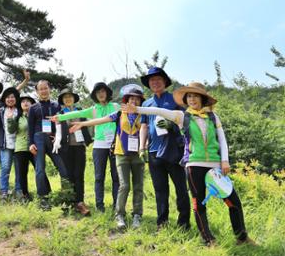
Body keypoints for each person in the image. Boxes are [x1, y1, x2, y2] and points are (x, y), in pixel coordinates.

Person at [124, 82, 254, 246]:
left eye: (195, 96)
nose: (192, 99)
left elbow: (222, 139)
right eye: (189, 96)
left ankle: (242, 237)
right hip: (194, 165)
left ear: (202, 98)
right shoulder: (182, 116)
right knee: (199, 204)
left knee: (232, 201)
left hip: (215, 166)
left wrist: (225, 160)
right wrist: (137, 109)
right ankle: (208, 240)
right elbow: (159, 111)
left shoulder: (213, 117)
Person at [69, 84, 146, 229]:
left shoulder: (143, 115)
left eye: (137, 99)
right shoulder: (118, 113)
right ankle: (117, 214)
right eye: (131, 99)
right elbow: (101, 120)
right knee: (122, 184)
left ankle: (137, 215)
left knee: (137, 186)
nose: (134, 102)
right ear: (127, 101)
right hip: (119, 152)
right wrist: (82, 124)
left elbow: (146, 129)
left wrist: (144, 145)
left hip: (137, 153)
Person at [50, 82, 119, 212]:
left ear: (107, 93)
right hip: (98, 146)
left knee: (116, 177)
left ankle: (117, 206)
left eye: (103, 91)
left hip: (115, 145)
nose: (101, 94)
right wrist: (59, 117)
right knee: (99, 177)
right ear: (95, 95)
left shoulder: (116, 106)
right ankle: (99, 206)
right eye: (98, 92)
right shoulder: (92, 110)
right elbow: (72, 116)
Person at [139, 67, 190, 230]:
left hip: (174, 150)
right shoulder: (146, 103)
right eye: (151, 80)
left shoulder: (175, 100)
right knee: (160, 189)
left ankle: (184, 223)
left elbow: (186, 122)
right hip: (153, 152)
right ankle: (162, 222)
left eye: (158, 79)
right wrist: (141, 147)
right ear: (149, 84)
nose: (155, 82)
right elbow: (144, 127)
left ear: (165, 82)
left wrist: (172, 125)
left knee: (181, 188)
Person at [27, 79, 70, 211]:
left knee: (63, 169)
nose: (44, 91)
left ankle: (66, 198)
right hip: (38, 138)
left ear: (49, 89)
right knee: (40, 170)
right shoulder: (33, 108)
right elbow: (30, 128)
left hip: (52, 140)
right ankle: (43, 199)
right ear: (37, 91)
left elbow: (61, 124)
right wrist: (30, 144)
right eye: (41, 89)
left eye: (45, 88)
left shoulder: (56, 105)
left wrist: (58, 138)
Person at [53, 87, 91, 216]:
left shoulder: (81, 111)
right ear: (62, 100)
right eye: (65, 97)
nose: (68, 99)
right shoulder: (60, 113)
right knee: (67, 175)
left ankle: (80, 202)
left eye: (70, 97)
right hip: (65, 148)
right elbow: (56, 129)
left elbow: (88, 124)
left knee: (79, 174)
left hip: (79, 146)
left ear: (74, 99)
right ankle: (68, 201)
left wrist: (89, 140)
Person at [0, 87, 22, 200]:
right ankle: (4, 191)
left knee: (19, 168)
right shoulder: (1, 111)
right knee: (5, 167)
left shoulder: (20, 111)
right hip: (5, 144)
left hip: (19, 144)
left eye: (12, 97)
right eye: (8, 97)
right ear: (4, 99)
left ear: (16, 99)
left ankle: (19, 190)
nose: (10, 99)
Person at [13, 93, 37, 201]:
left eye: (28, 101)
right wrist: (9, 120)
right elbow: (10, 130)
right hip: (21, 148)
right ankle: (25, 195)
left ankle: (45, 193)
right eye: (23, 101)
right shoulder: (17, 117)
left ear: (32, 104)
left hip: (35, 147)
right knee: (22, 173)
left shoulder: (36, 116)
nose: (25, 103)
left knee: (40, 170)